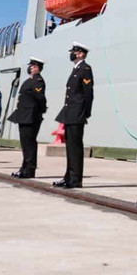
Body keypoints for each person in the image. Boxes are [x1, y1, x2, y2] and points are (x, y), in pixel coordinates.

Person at [54, 41, 94, 189]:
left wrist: (85, 113)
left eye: (75, 52)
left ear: (81, 53)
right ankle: (68, 176)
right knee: (70, 147)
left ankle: (76, 179)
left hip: (77, 113)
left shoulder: (85, 69)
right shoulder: (76, 69)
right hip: (70, 112)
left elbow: (88, 93)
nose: (72, 54)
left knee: (75, 146)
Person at [8, 57, 47, 178]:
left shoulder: (38, 80)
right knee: (25, 144)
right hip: (24, 115)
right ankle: (24, 167)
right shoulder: (28, 81)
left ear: (36, 67)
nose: (30, 67)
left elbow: (40, 98)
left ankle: (29, 169)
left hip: (31, 116)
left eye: (32, 65)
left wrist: (39, 111)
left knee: (29, 143)